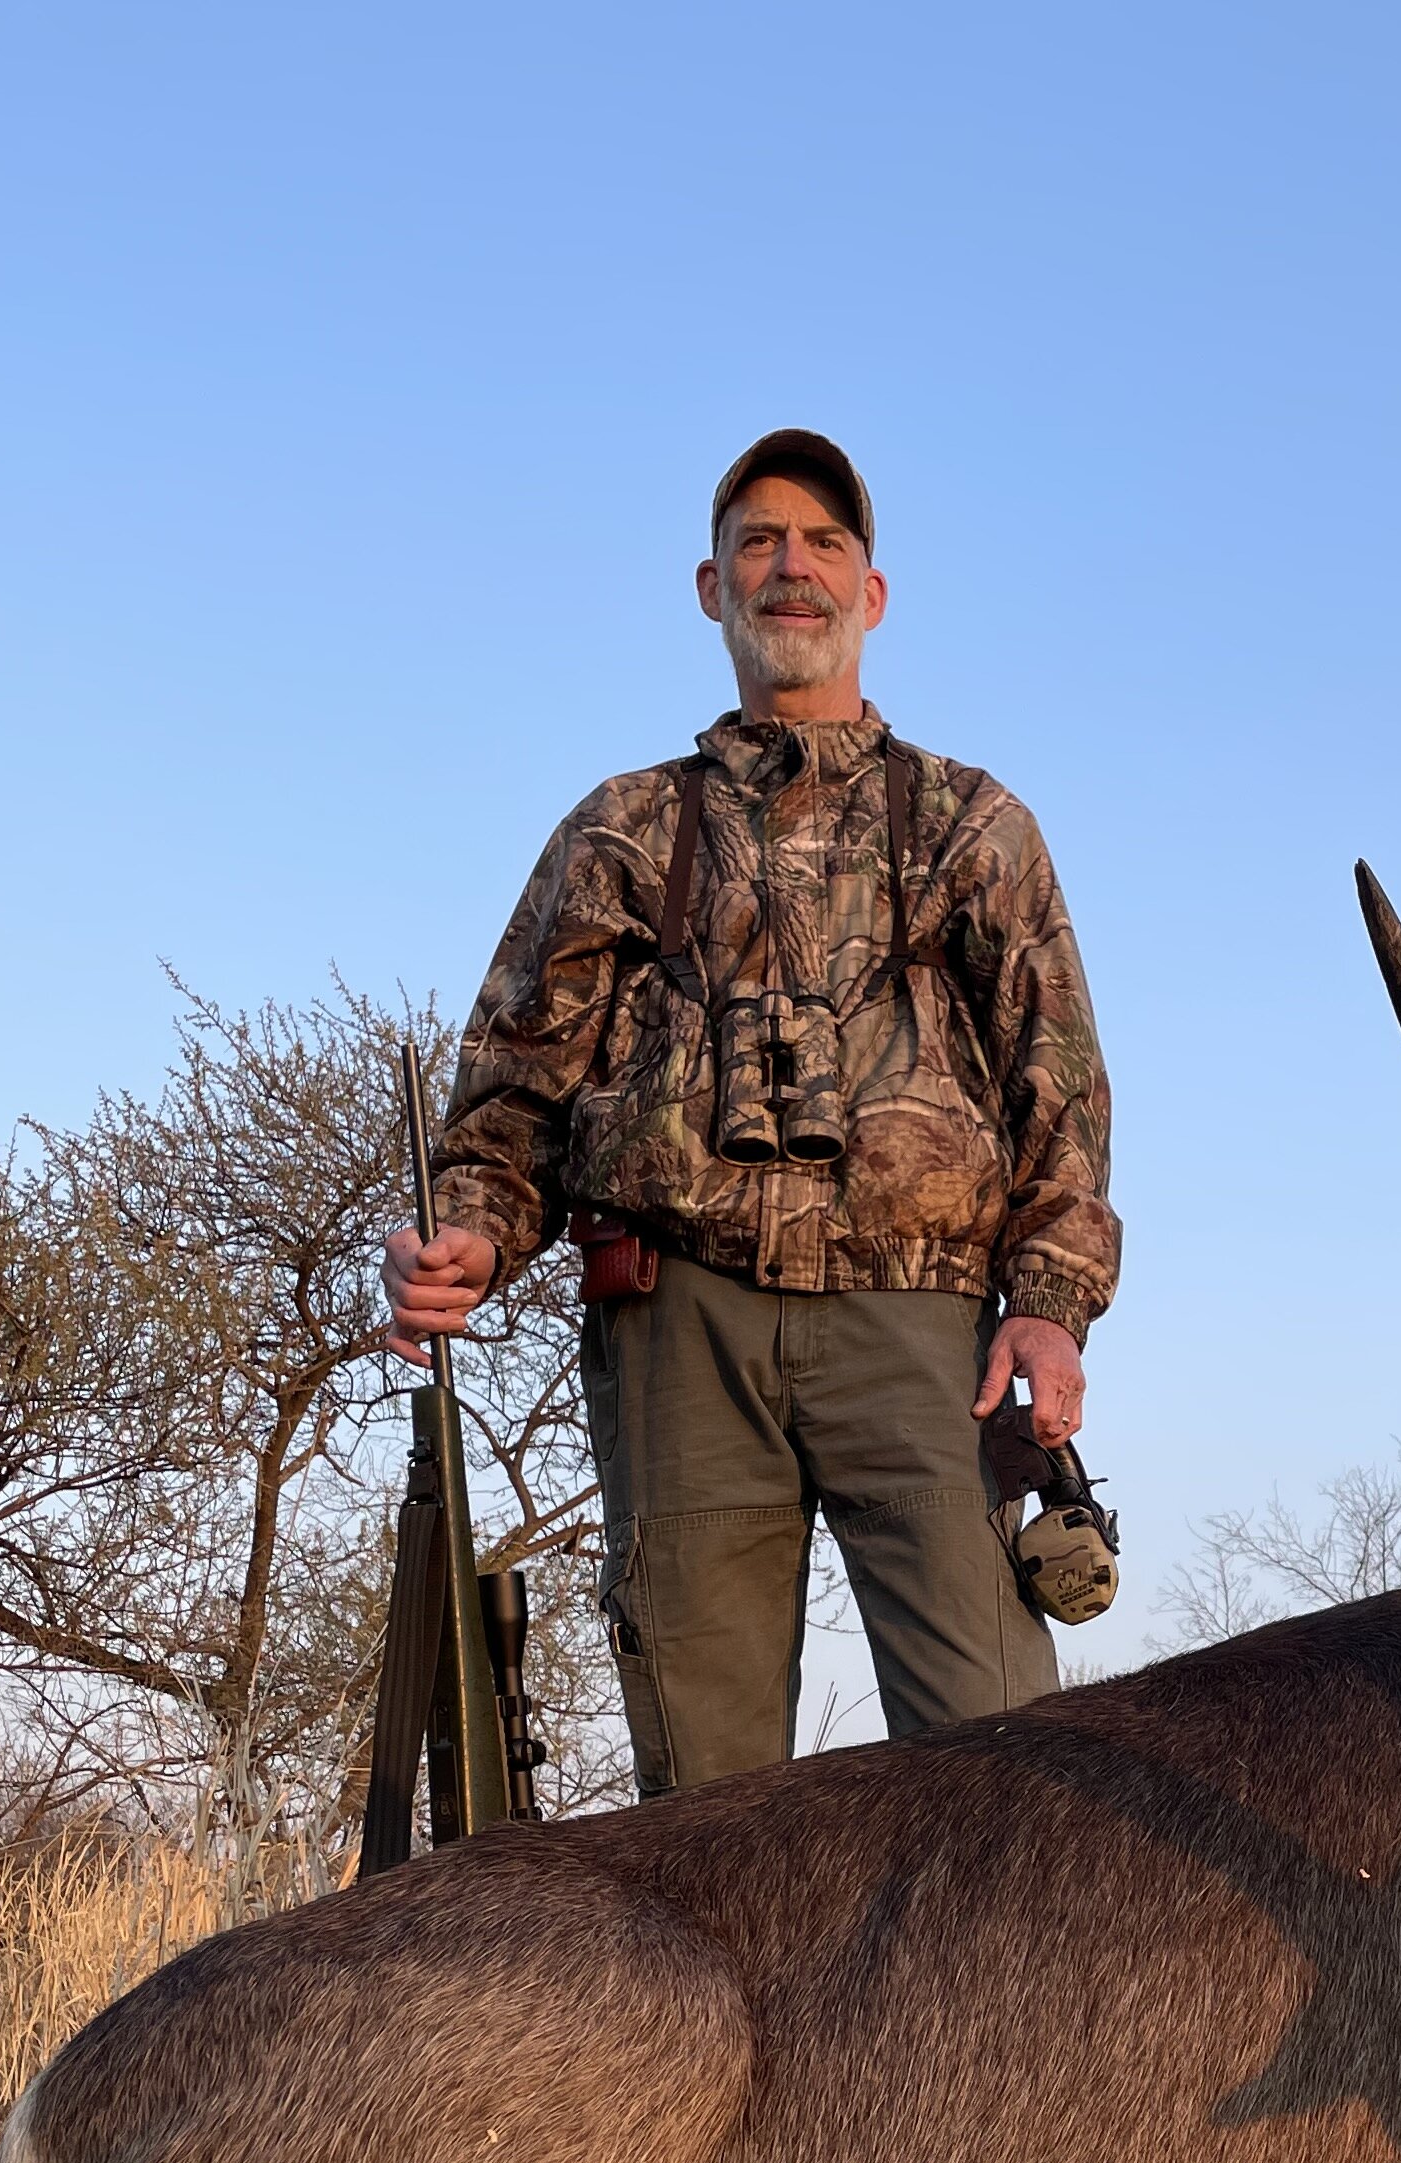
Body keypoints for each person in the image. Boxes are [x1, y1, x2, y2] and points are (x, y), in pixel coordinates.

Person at [384, 429, 1117, 1792]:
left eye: (824, 543)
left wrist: (1052, 1306)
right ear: (711, 587)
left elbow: (1057, 1083)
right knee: (706, 1809)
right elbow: (511, 1097)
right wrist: (473, 1237)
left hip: (925, 1333)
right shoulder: (622, 829)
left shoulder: (972, 824)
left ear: (873, 594)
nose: (793, 568)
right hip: (682, 1334)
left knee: (1007, 1777)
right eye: (760, 544)